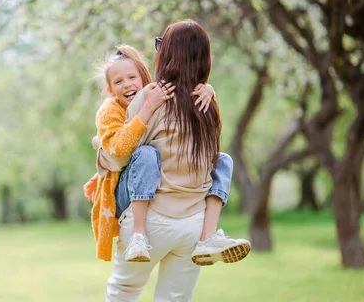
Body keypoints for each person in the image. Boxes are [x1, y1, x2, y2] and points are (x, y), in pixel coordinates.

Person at [103, 20, 250, 301]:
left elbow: (121, 155)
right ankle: (211, 237)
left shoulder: (151, 95)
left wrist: (101, 147)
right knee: (175, 297)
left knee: (124, 291)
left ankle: (138, 235)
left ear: (168, 53)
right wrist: (210, 88)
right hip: (194, 224)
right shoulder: (208, 104)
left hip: (149, 220)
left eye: (161, 45)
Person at [84, 44, 245, 264]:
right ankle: (138, 235)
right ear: (111, 90)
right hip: (124, 190)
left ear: (143, 78)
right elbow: (120, 150)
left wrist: (209, 89)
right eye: (118, 82)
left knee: (223, 160)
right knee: (147, 153)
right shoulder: (110, 110)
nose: (127, 85)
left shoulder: (156, 93)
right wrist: (147, 108)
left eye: (132, 77)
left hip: (148, 177)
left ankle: (208, 236)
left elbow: (183, 90)